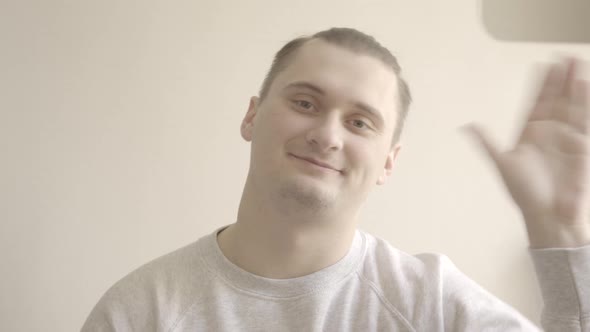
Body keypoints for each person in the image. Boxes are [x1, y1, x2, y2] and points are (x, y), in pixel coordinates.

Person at [81, 27, 590, 331]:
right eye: (305, 103)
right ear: (252, 116)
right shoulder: (143, 309)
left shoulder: (429, 301)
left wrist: (560, 239)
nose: (327, 135)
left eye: (359, 122)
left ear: (389, 161)